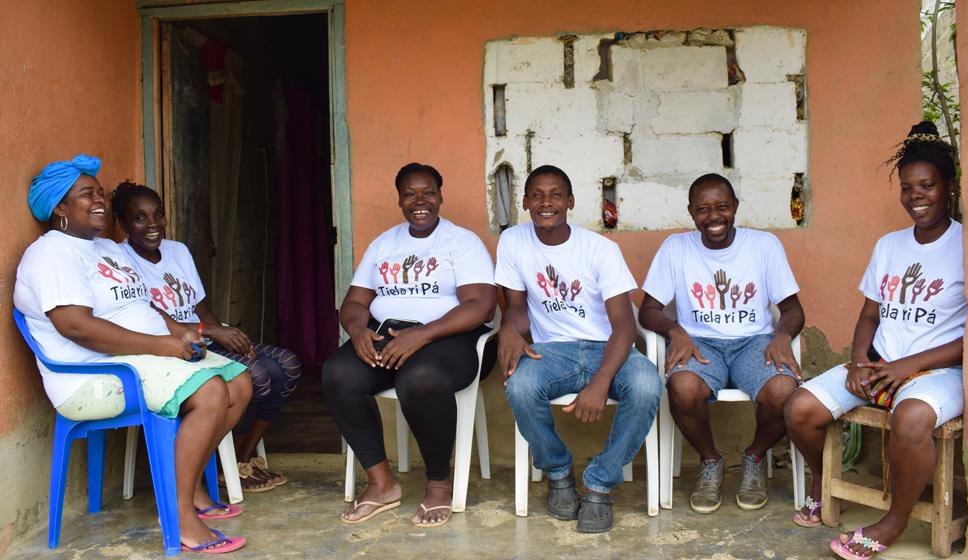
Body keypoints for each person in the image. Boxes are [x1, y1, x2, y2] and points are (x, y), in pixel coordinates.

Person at [14, 156, 251, 553]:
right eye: (86, 194)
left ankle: (188, 490)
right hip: (94, 375)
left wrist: (180, 332)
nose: (100, 201)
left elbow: (143, 305)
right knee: (210, 391)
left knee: (239, 383)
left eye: (100, 192)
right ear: (59, 207)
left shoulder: (105, 247)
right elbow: (76, 326)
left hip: (141, 358)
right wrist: (161, 345)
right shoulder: (51, 254)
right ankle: (180, 518)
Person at [785, 121, 966, 559]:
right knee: (799, 409)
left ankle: (894, 520)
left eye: (927, 185)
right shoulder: (889, 245)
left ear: (950, 187)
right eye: (907, 188)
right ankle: (823, 485)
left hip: (940, 370)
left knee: (911, 419)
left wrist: (909, 366)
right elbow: (870, 313)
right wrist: (859, 360)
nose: (916, 197)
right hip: (880, 361)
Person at [321, 163, 497, 527]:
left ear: (440, 196)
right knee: (338, 372)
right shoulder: (384, 244)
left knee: (420, 378)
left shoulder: (461, 242)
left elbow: (481, 304)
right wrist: (358, 332)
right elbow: (354, 303)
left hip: (452, 338)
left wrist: (424, 333)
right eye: (410, 194)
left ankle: (437, 484)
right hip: (389, 335)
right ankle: (381, 483)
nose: (420, 201)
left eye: (428, 192)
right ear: (399, 199)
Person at [498, 164, 661, 534]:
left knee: (647, 385)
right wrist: (509, 329)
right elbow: (517, 309)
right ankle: (557, 471)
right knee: (520, 387)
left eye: (556, 195)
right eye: (537, 195)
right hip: (554, 351)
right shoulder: (513, 242)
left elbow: (624, 326)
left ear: (570, 201)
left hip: (609, 348)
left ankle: (600, 483)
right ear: (525, 202)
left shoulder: (601, 250)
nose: (546, 203)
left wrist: (602, 381)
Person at [112, 181, 301, 493]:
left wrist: (225, 335)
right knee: (257, 375)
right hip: (176, 347)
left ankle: (241, 457)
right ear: (122, 223)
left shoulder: (177, 251)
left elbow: (199, 307)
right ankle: (219, 463)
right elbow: (152, 317)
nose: (153, 224)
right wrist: (210, 332)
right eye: (140, 217)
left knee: (287, 365)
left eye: (158, 214)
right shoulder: (121, 261)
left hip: (204, 335)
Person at [639, 172, 805, 514]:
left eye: (722, 207)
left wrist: (783, 336)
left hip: (753, 343)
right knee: (682, 387)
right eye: (703, 209)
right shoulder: (676, 248)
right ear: (691, 212)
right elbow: (648, 311)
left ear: (736, 208)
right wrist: (677, 332)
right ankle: (710, 461)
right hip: (700, 345)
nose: (713, 217)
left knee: (784, 391)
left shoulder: (763, 245)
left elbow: (792, 309)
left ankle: (755, 456)